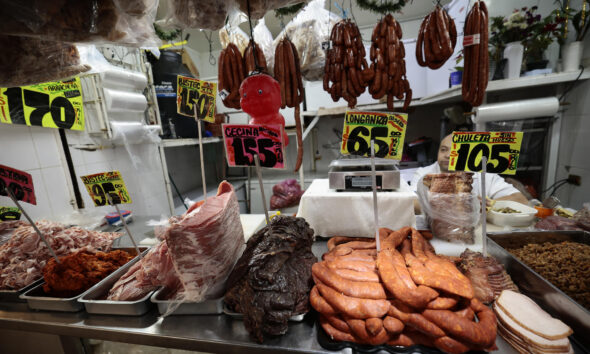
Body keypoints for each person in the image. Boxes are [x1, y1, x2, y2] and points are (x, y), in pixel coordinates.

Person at [410, 134, 529, 209]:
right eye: (443, 150)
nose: (447, 155)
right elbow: (412, 203)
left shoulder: (485, 175)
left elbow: (521, 200)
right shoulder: (423, 173)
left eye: (454, 151)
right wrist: (459, 203)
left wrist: (486, 204)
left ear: (466, 154)